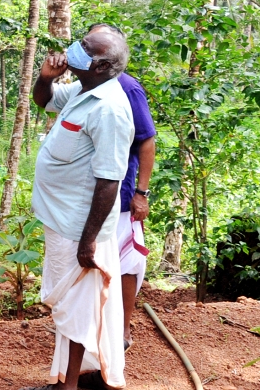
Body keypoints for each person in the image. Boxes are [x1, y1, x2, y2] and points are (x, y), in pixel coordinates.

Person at [26, 29, 134, 390]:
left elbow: (109, 181)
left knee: (76, 307)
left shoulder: (111, 108)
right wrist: (45, 77)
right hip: (60, 219)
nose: (76, 48)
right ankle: (65, 380)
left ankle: (68, 386)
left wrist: (88, 241)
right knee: (68, 306)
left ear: (101, 65)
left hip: (78, 228)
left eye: (86, 48)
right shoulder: (84, 90)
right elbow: (45, 101)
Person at [88, 23, 156, 350]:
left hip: (121, 195)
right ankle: (91, 330)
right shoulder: (82, 86)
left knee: (126, 262)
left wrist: (142, 193)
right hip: (84, 196)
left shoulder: (128, 88)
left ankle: (123, 329)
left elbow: (146, 140)